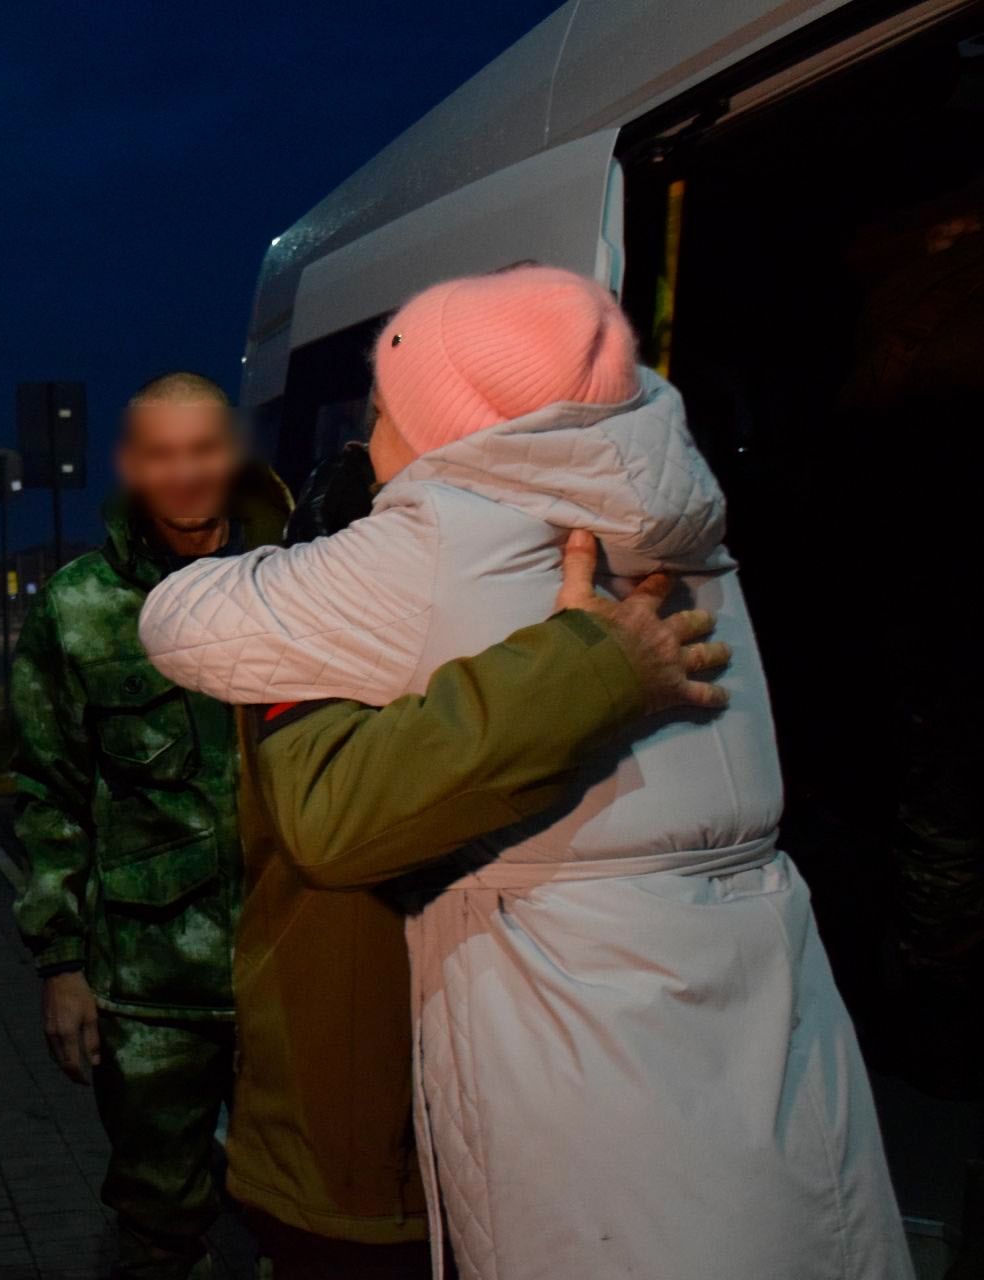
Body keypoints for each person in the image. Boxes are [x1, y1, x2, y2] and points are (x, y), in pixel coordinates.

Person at [139, 265, 909, 1279]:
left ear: (440, 423)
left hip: (576, 1056)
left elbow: (183, 627)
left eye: (381, 413)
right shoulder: (689, 533)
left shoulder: (439, 543)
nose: (365, 443)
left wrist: (324, 552)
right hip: (760, 1027)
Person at [7, 371, 287, 1278]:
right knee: (156, 1226)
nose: (186, 475)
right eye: (162, 455)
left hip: (297, 965)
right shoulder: (79, 610)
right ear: (132, 465)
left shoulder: (299, 578)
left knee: (310, 1216)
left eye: (204, 450)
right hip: (153, 990)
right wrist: (62, 966)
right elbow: (47, 791)